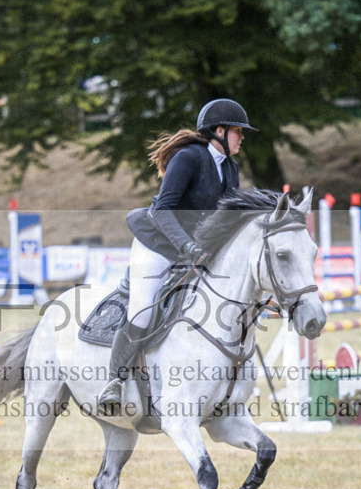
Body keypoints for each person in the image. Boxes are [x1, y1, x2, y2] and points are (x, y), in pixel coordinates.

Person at [96, 98, 256, 415]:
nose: (242, 137)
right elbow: (163, 210)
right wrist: (187, 247)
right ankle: (114, 381)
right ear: (219, 131)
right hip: (157, 242)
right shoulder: (188, 158)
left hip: (193, 249)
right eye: (238, 131)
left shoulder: (230, 168)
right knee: (143, 311)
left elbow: (227, 220)